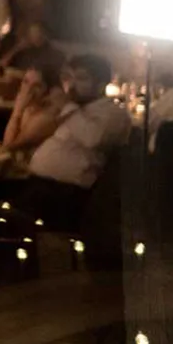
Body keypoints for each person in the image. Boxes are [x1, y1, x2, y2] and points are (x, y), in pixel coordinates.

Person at [21, 55, 131, 225]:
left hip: (66, 194)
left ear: (101, 85)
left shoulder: (113, 113)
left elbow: (93, 138)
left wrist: (66, 106)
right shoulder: (77, 108)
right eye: (70, 77)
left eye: (81, 78)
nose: (72, 85)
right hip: (38, 184)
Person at [3, 65, 67, 170]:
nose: (28, 90)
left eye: (36, 86)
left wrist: (17, 111)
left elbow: (8, 146)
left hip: (35, 174)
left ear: (48, 91)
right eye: (26, 82)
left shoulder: (47, 116)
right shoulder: (30, 107)